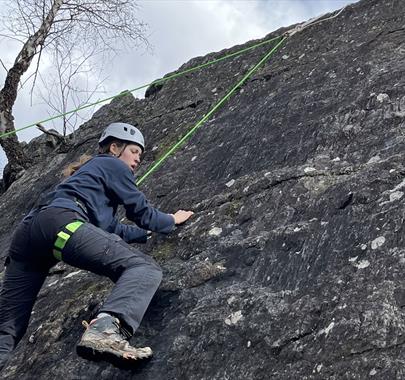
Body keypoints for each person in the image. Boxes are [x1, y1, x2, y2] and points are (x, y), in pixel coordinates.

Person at [0, 122, 194, 369]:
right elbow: (141, 211)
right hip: (62, 224)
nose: (137, 160)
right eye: (134, 152)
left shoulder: (86, 183)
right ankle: (104, 330)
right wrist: (170, 220)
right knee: (144, 269)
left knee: (8, 329)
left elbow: (113, 228)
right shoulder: (112, 164)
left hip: (28, 237)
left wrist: (144, 235)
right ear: (115, 147)